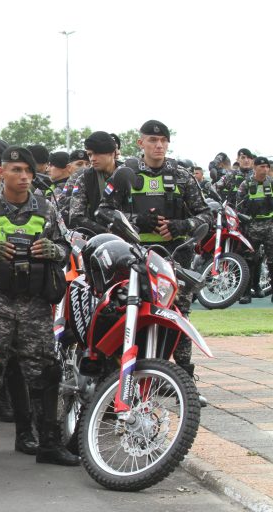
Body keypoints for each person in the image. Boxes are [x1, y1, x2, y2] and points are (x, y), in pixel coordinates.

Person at [0, 145, 78, 468]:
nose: (23, 177)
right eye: (16, 170)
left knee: (45, 373)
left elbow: (66, 248)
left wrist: (54, 250)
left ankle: (48, 442)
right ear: (1, 172)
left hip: (35, 303)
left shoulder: (47, 209)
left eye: (28, 172)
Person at [96, 120, 211, 391]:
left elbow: (206, 214)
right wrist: (136, 222)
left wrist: (182, 225)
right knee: (125, 314)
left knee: (178, 316)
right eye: (152, 140)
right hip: (133, 259)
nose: (158, 145)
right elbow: (102, 212)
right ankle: (118, 378)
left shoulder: (182, 175)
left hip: (174, 258)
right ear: (141, 143)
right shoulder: (125, 174)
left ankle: (184, 379)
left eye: (163, 141)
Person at [236, 157, 273, 303]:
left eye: (267, 167)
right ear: (255, 167)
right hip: (251, 226)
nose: (265, 170)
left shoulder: (271, 183)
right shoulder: (246, 184)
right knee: (249, 259)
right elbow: (238, 206)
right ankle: (246, 293)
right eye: (262, 167)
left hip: (270, 225)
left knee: (271, 260)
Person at [67, 131, 120, 235]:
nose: (92, 159)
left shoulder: (127, 173)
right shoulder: (85, 178)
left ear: (112, 153)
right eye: (90, 154)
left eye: (97, 153)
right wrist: (104, 231)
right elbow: (75, 217)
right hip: (99, 240)